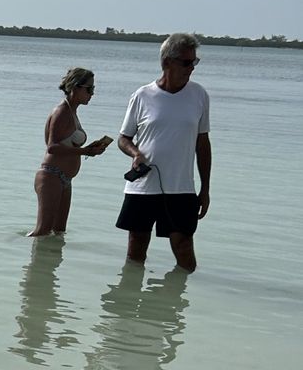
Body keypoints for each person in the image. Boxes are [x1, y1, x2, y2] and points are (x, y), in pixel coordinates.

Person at [116, 33, 211, 272]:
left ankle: (179, 303)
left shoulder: (199, 95)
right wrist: (135, 153)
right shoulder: (142, 95)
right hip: (143, 185)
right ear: (167, 62)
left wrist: (205, 188)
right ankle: (131, 302)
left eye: (194, 62)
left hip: (182, 187)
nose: (192, 68)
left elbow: (203, 144)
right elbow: (123, 138)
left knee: (184, 247)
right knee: (136, 247)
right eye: (186, 62)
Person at [28, 68, 113, 237]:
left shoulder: (72, 111)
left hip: (65, 179)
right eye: (89, 89)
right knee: (42, 231)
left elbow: (66, 145)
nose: (92, 94)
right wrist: (85, 150)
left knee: (59, 232)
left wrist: (89, 148)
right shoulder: (61, 111)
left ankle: (50, 262)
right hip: (51, 175)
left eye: (93, 89)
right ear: (75, 87)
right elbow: (52, 147)